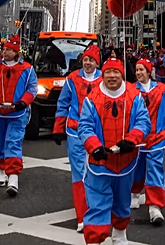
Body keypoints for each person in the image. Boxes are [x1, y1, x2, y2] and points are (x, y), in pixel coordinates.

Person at [77, 57, 151, 245]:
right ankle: (94, 240)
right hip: (99, 163)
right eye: (108, 72)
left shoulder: (135, 96)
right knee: (97, 204)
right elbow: (84, 126)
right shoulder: (92, 98)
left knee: (122, 201)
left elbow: (143, 122)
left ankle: (119, 235)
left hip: (126, 162)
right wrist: (94, 146)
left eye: (116, 72)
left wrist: (132, 140)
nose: (112, 76)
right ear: (102, 74)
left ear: (122, 74)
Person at [53, 44, 102, 231]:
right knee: (79, 173)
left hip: (97, 133)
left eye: (91, 60)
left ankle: (96, 208)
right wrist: (58, 127)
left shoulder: (105, 78)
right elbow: (63, 103)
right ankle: (82, 216)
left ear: (97, 62)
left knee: (97, 170)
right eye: (86, 59)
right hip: (75, 131)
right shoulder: (72, 79)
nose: (88, 63)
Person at [0, 35, 37, 196]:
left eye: (8, 50)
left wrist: (24, 102)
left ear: (16, 52)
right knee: (0, 143)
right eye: (4, 49)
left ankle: (13, 177)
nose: (4, 52)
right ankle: (2, 170)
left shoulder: (27, 69)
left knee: (13, 142)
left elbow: (32, 87)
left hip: (17, 113)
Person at [131, 58, 165, 224]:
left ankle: (155, 205)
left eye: (141, 69)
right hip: (138, 137)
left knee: (155, 170)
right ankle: (134, 192)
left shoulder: (162, 89)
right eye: (137, 70)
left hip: (157, 137)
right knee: (137, 168)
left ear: (148, 71)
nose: (138, 72)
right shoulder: (131, 90)